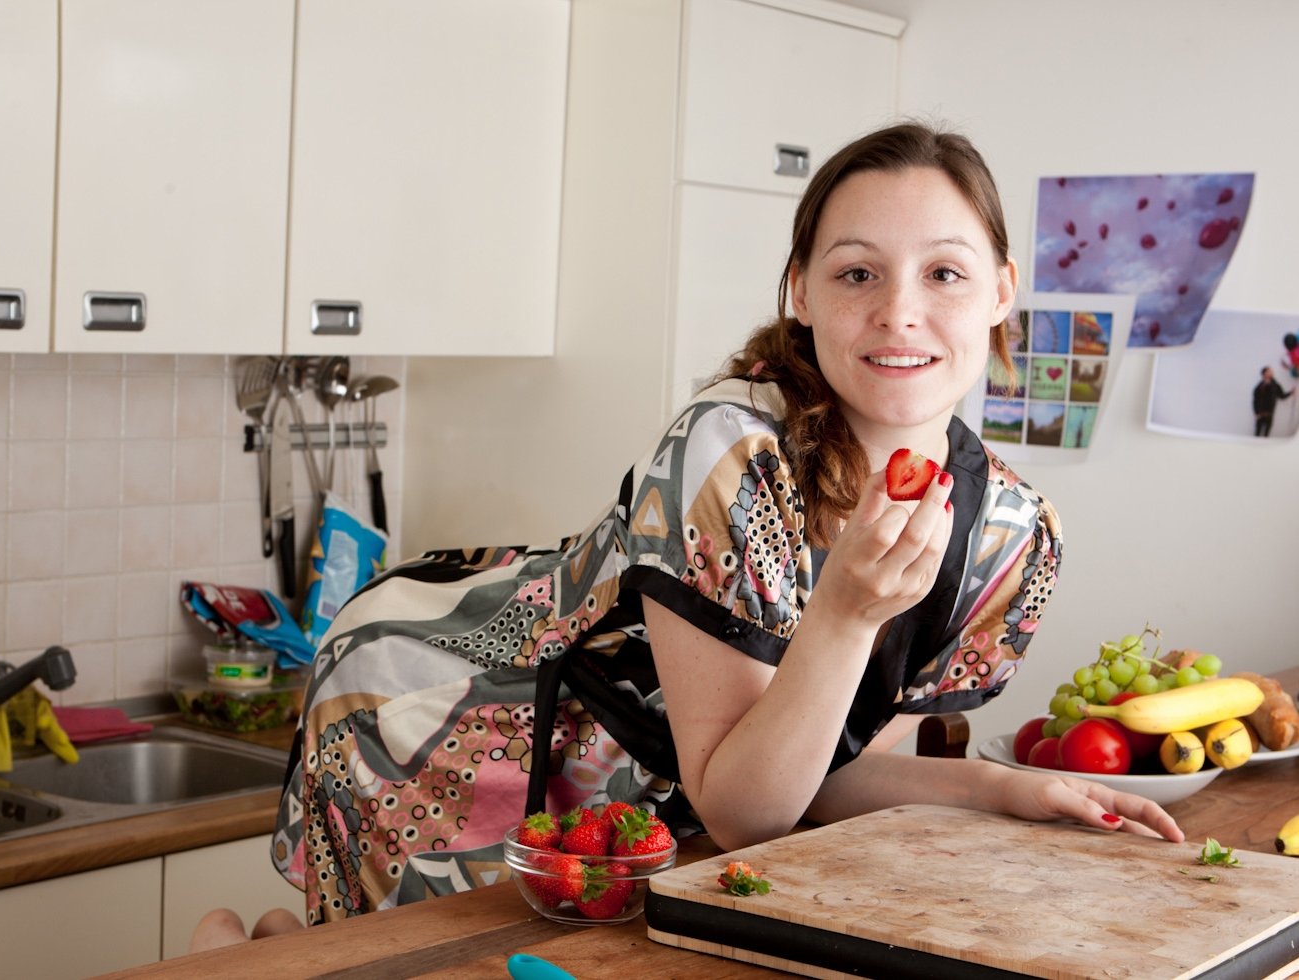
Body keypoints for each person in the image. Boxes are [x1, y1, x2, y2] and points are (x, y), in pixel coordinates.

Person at [191, 120, 1185, 949]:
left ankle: (247, 940)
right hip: (446, 713)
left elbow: (828, 773)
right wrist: (844, 614)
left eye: (945, 273)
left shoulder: (1011, 537)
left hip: (654, 797)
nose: (900, 312)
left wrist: (1005, 789)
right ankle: (228, 947)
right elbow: (746, 808)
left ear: (1002, 289)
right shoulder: (733, 452)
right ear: (801, 291)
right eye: (857, 273)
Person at [1254, 365, 1294, 437]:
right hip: (1260, 414)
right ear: (1264, 373)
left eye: (1271, 371)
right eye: (1269, 371)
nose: (1272, 373)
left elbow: (1282, 396)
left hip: (1269, 414)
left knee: (1266, 435)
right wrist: (1256, 412)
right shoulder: (1259, 386)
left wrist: (1291, 393)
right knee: (1257, 434)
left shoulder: (1275, 385)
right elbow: (1255, 400)